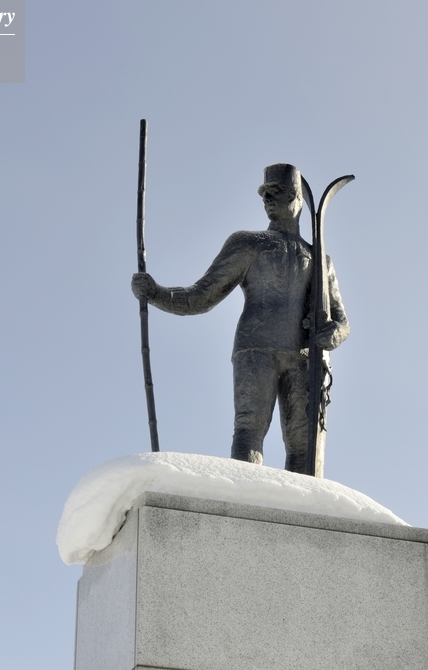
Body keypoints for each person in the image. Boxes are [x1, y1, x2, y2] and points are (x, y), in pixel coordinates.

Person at [131, 163, 349, 473]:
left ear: (298, 199)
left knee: (303, 446)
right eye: (265, 193)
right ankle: (247, 493)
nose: (267, 198)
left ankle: (302, 499)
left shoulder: (320, 260)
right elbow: (202, 295)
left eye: (277, 192)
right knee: (249, 431)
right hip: (255, 348)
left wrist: (334, 333)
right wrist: (156, 293)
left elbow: (341, 320)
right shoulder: (247, 243)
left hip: (303, 356)